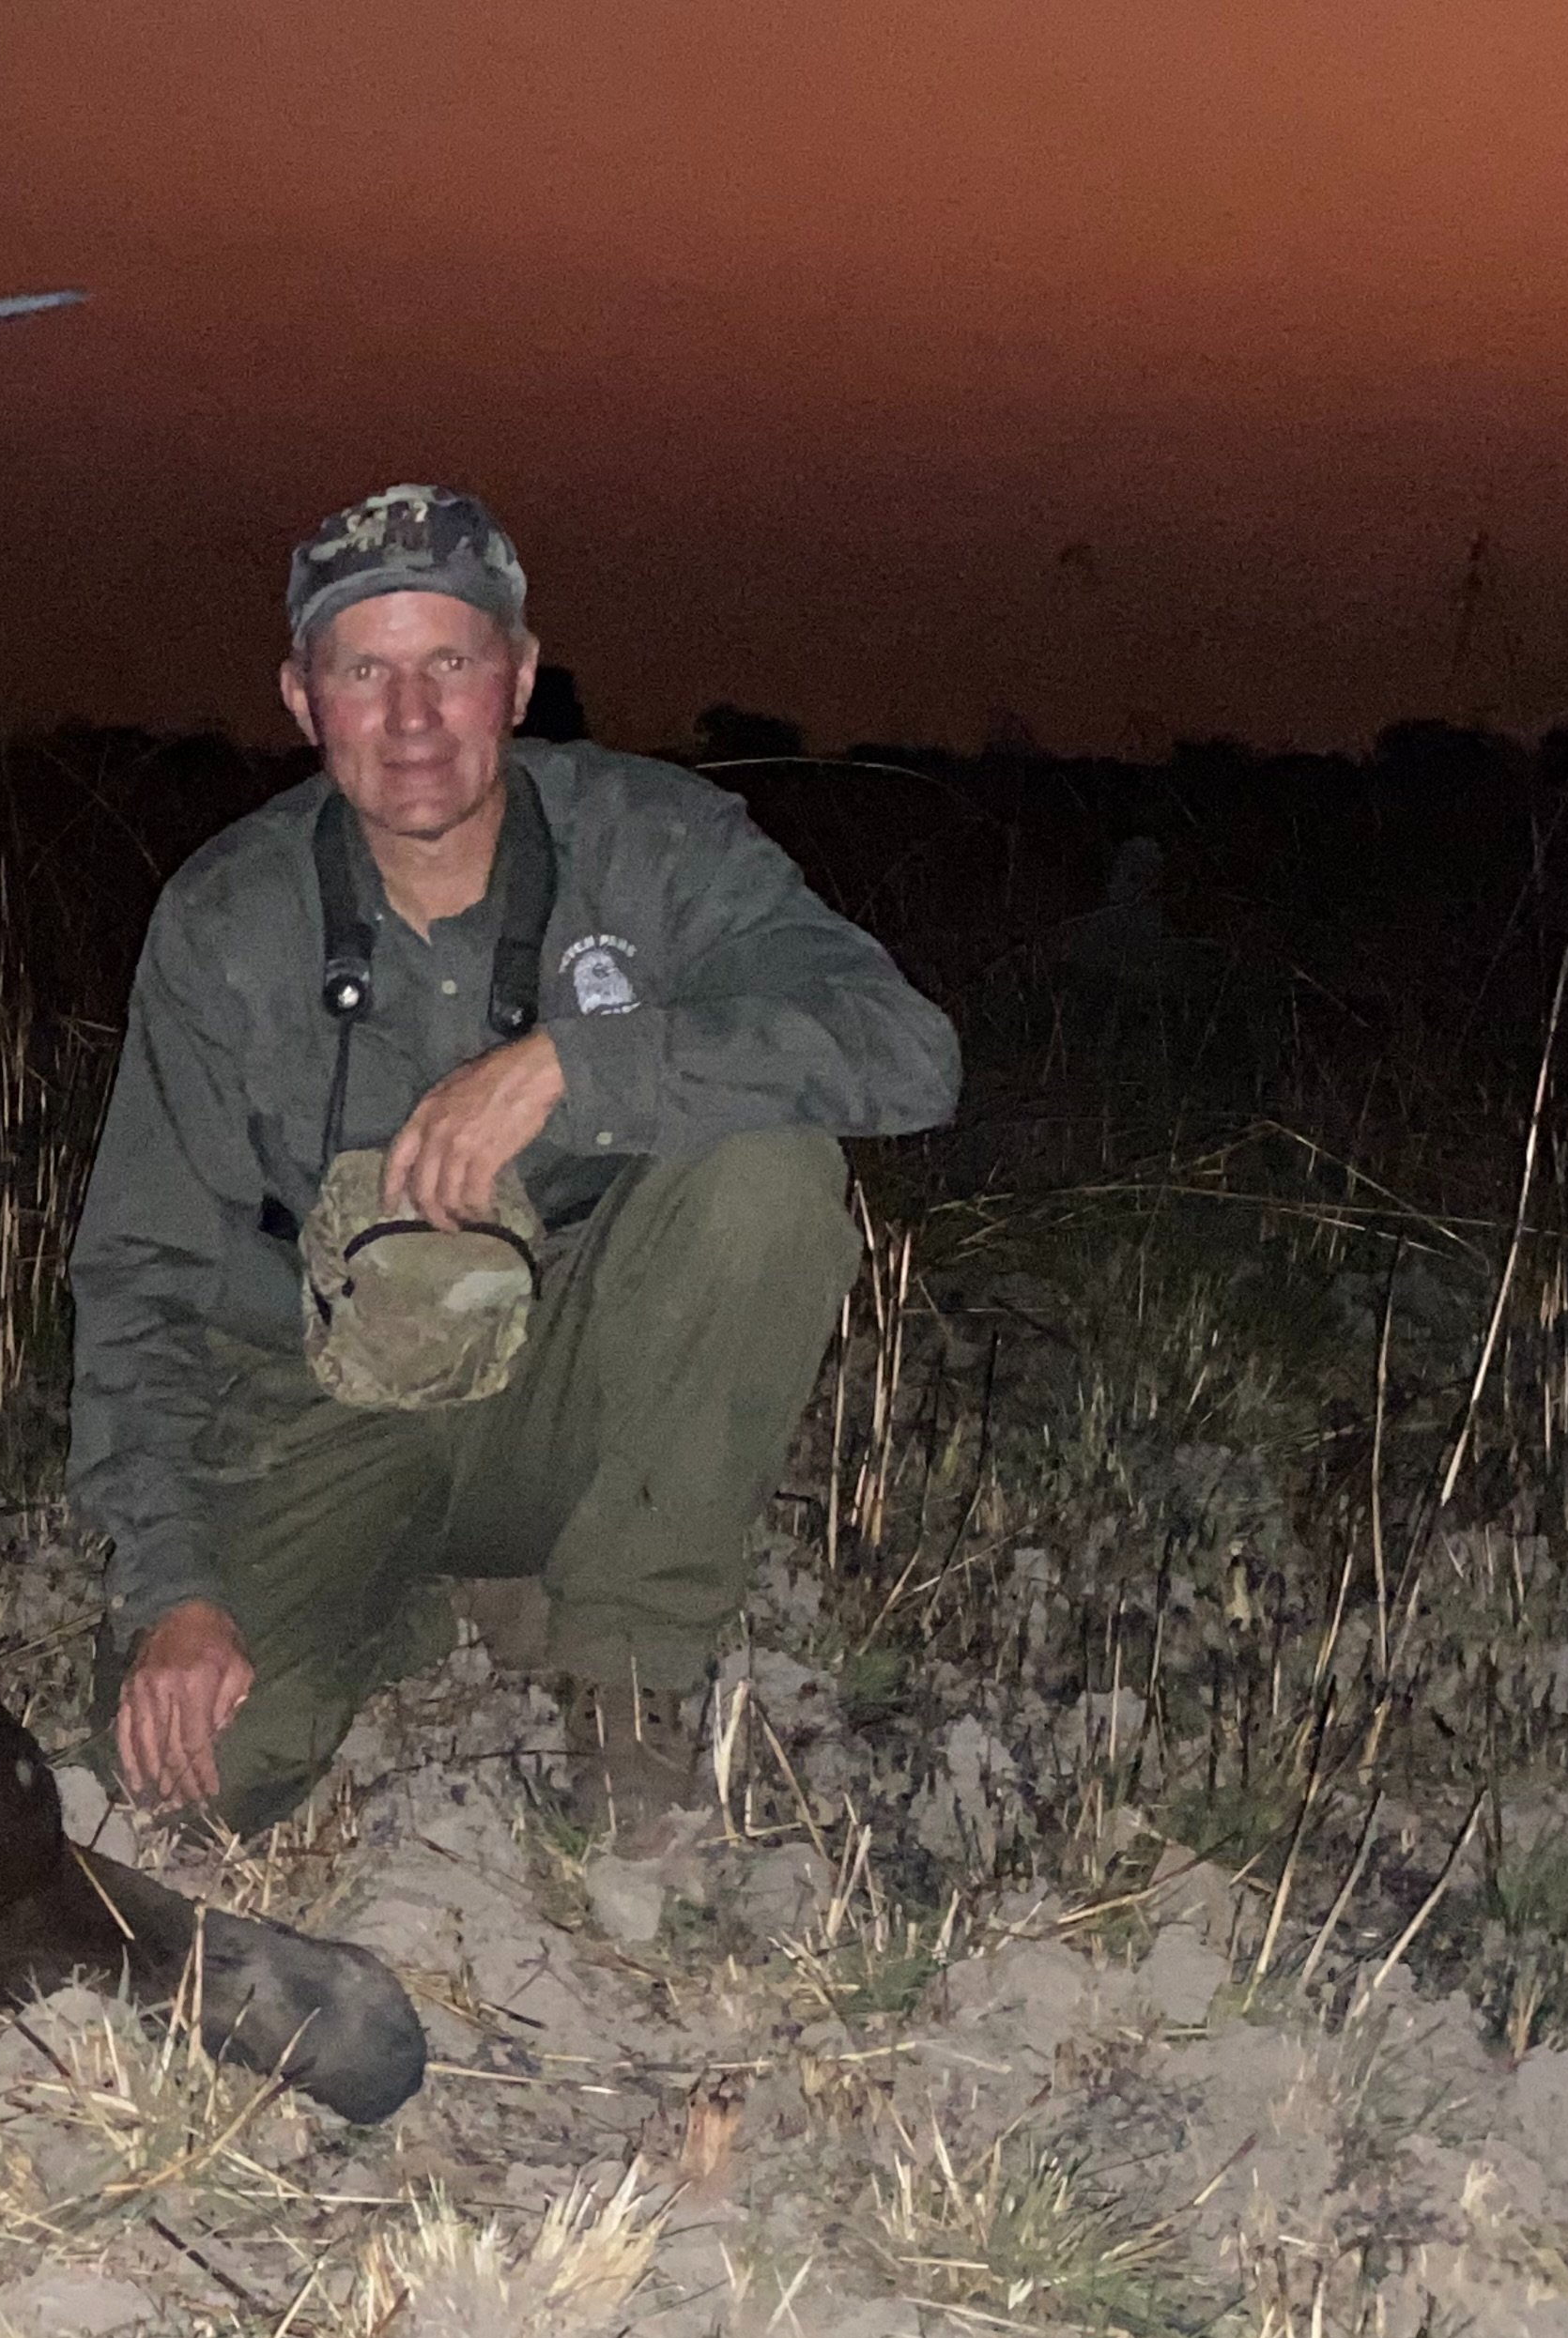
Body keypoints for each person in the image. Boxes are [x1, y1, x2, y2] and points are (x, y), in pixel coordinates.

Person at [69, 486, 960, 1839]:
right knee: (195, 1786)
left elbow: (908, 1053)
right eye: (365, 671)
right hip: (319, 1411)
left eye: (451, 664)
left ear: (521, 679)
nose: (412, 720)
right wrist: (173, 1594)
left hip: (566, 1400)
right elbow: (138, 1276)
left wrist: (574, 1066)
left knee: (767, 1173)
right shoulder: (221, 918)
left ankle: (630, 1668)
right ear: (303, 700)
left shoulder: (657, 844)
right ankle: (407, 1599)